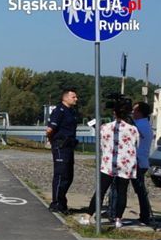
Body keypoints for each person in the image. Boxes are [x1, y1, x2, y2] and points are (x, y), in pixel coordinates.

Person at [79, 99, 139, 228]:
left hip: (109, 163)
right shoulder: (133, 129)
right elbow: (136, 143)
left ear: (114, 113)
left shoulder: (106, 127)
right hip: (126, 164)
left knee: (101, 190)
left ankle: (89, 215)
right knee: (122, 192)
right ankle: (118, 219)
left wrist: (91, 120)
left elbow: (96, 129)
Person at [46, 88, 80, 214]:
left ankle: (62, 202)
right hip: (61, 146)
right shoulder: (59, 111)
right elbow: (50, 130)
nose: (76, 99)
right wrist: (53, 142)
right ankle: (56, 203)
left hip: (69, 146)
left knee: (68, 176)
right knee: (61, 175)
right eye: (73, 97)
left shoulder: (71, 111)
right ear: (65, 98)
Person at [131, 101, 154, 225]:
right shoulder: (145, 124)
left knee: (139, 190)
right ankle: (144, 214)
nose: (132, 113)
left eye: (134, 110)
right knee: (140, 190)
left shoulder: (138, 125)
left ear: (140, 112)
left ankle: (145, 215)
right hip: (142, 161)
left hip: (137, 161)